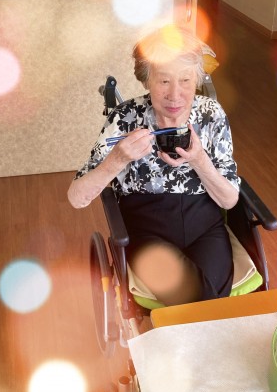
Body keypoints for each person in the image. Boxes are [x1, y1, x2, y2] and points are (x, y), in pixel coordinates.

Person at [67, 24, 240, 306]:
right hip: (147, 230)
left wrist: (199, 161)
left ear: (197, 79)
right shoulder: (125, 117)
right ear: (146, 80)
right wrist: (118, 159)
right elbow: (76, 198)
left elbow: (229, 200)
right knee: (202, 300)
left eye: (185, 80)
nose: (175, 94)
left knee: (206, 299)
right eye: (164, 81)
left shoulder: (211, 115)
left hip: (205, 227)